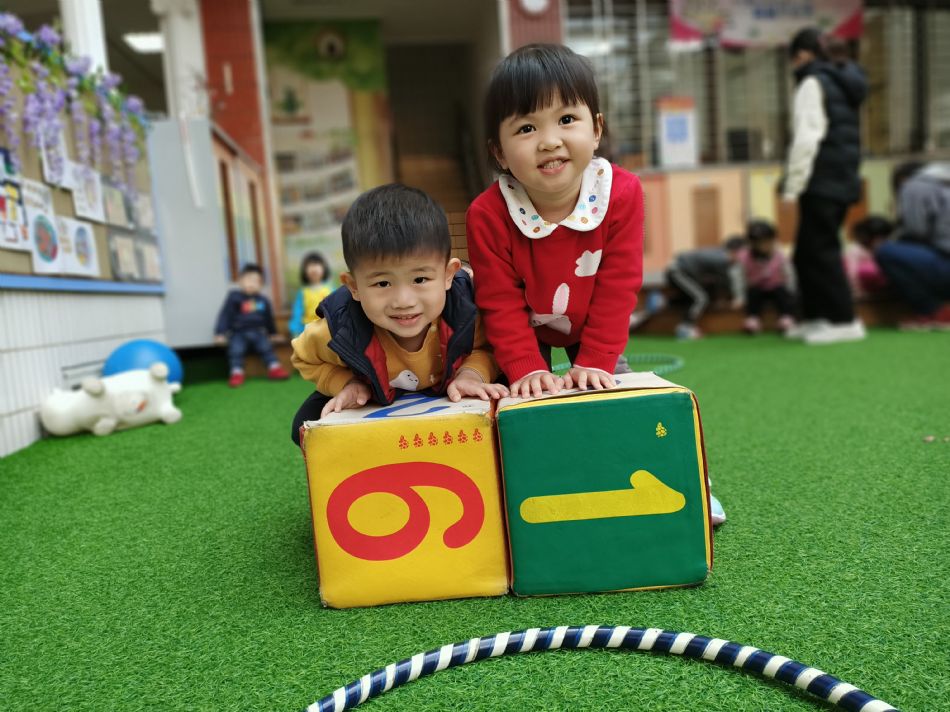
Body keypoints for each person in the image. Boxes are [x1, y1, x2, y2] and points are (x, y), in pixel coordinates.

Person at [466, 43, 643, 399]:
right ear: (499, 152)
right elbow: (499, 300)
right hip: (524, 331)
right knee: (522, 398)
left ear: (596, 129)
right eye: (526, 128)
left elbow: (618, 286)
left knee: (610, 394)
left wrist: (596, 359)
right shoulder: (487, 215)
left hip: (593, 323)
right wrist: (525, 366)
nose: (549, 142)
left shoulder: (621, 193)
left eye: (566, 120)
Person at [289, 184, 507, 446]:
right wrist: (346, 384)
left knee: (505, 391)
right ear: (354, 287)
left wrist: (471, 375)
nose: (404, 301)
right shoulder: (338, 328)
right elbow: (303, 356)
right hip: (373, 392)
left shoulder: (467, 310)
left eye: (420, 279)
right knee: (304, 423)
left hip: (450, 388)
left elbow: (489, 347)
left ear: (448, 275)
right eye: (382, 283)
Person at [782, 27, 867, 345]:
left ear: (803, 55)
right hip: (841, 176)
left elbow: (806, 138)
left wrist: (792, 185)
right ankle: (817, 317)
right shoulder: (840, 80)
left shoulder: (812, 82)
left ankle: (844, 320)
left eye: (793, 59)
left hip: (822, 178)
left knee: (821, 251)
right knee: (806, 252)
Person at [855, 161, 950, 328]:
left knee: (885, 251)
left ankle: (934, 311)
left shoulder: (914, 185)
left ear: (902, 180)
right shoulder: (943, 184)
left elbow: (916, 231)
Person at [213, 263, 290, 387]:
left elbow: (268, 319)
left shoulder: (263, 300)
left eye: (256, 281)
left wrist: (273, 333)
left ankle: (274, 367)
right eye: (248, 279)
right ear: (240, 281)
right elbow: (226, 315)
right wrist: (220, 333)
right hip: (238, 332)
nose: (251, 283)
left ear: (260, 285)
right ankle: (236, 372)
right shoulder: (234, 297)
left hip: (258, 331)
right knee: (236, 350)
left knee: (266, 347)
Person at [666, 236, 746, 340]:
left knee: (694, 296)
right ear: (735, 252)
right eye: (743, 253)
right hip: (678, 271)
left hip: (680, 270)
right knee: (700, 298)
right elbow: (726, 281)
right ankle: (685, 328)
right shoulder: (723, 259)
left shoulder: (720, 254)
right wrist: (736, 298)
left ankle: (663, 302)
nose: (743, 258)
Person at [739, 220, 796, 335]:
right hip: (757, 287)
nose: (763, 245)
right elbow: (739, 277)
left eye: (766, 241)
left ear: (773, 240)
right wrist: (739, 296)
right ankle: (753, 319)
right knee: (752, 293)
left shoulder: (780, 254)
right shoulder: (744, 256)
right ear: (752, 243)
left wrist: (791, 290)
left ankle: (785, 318)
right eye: (759, 242)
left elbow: (789, 273)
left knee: (782, 292)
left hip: (776, 286)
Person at [289, 251, 333, 337]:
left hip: (327, 330)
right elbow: (297, 313)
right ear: (304, 271)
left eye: (317, 264)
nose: (314, 268)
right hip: (307, 331)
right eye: (310, 265)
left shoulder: (330, 290)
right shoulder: (302, 292)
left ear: (324, 269)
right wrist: (295, 332)